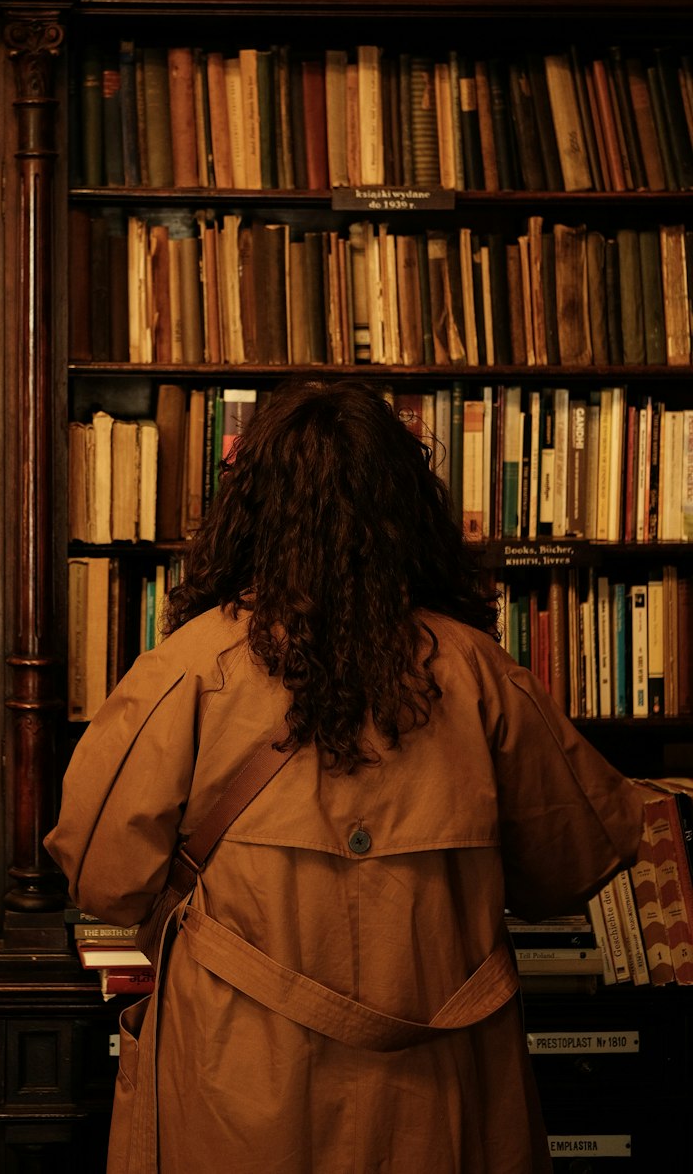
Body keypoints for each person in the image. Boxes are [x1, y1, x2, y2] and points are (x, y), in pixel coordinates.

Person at [45, 379, 645, 1174]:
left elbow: (102, 878)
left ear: (248, 511)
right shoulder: (483, 675)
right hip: (443, 1093)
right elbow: (568, 871)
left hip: (241, 1086)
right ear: (408, 510)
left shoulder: (186, 674)